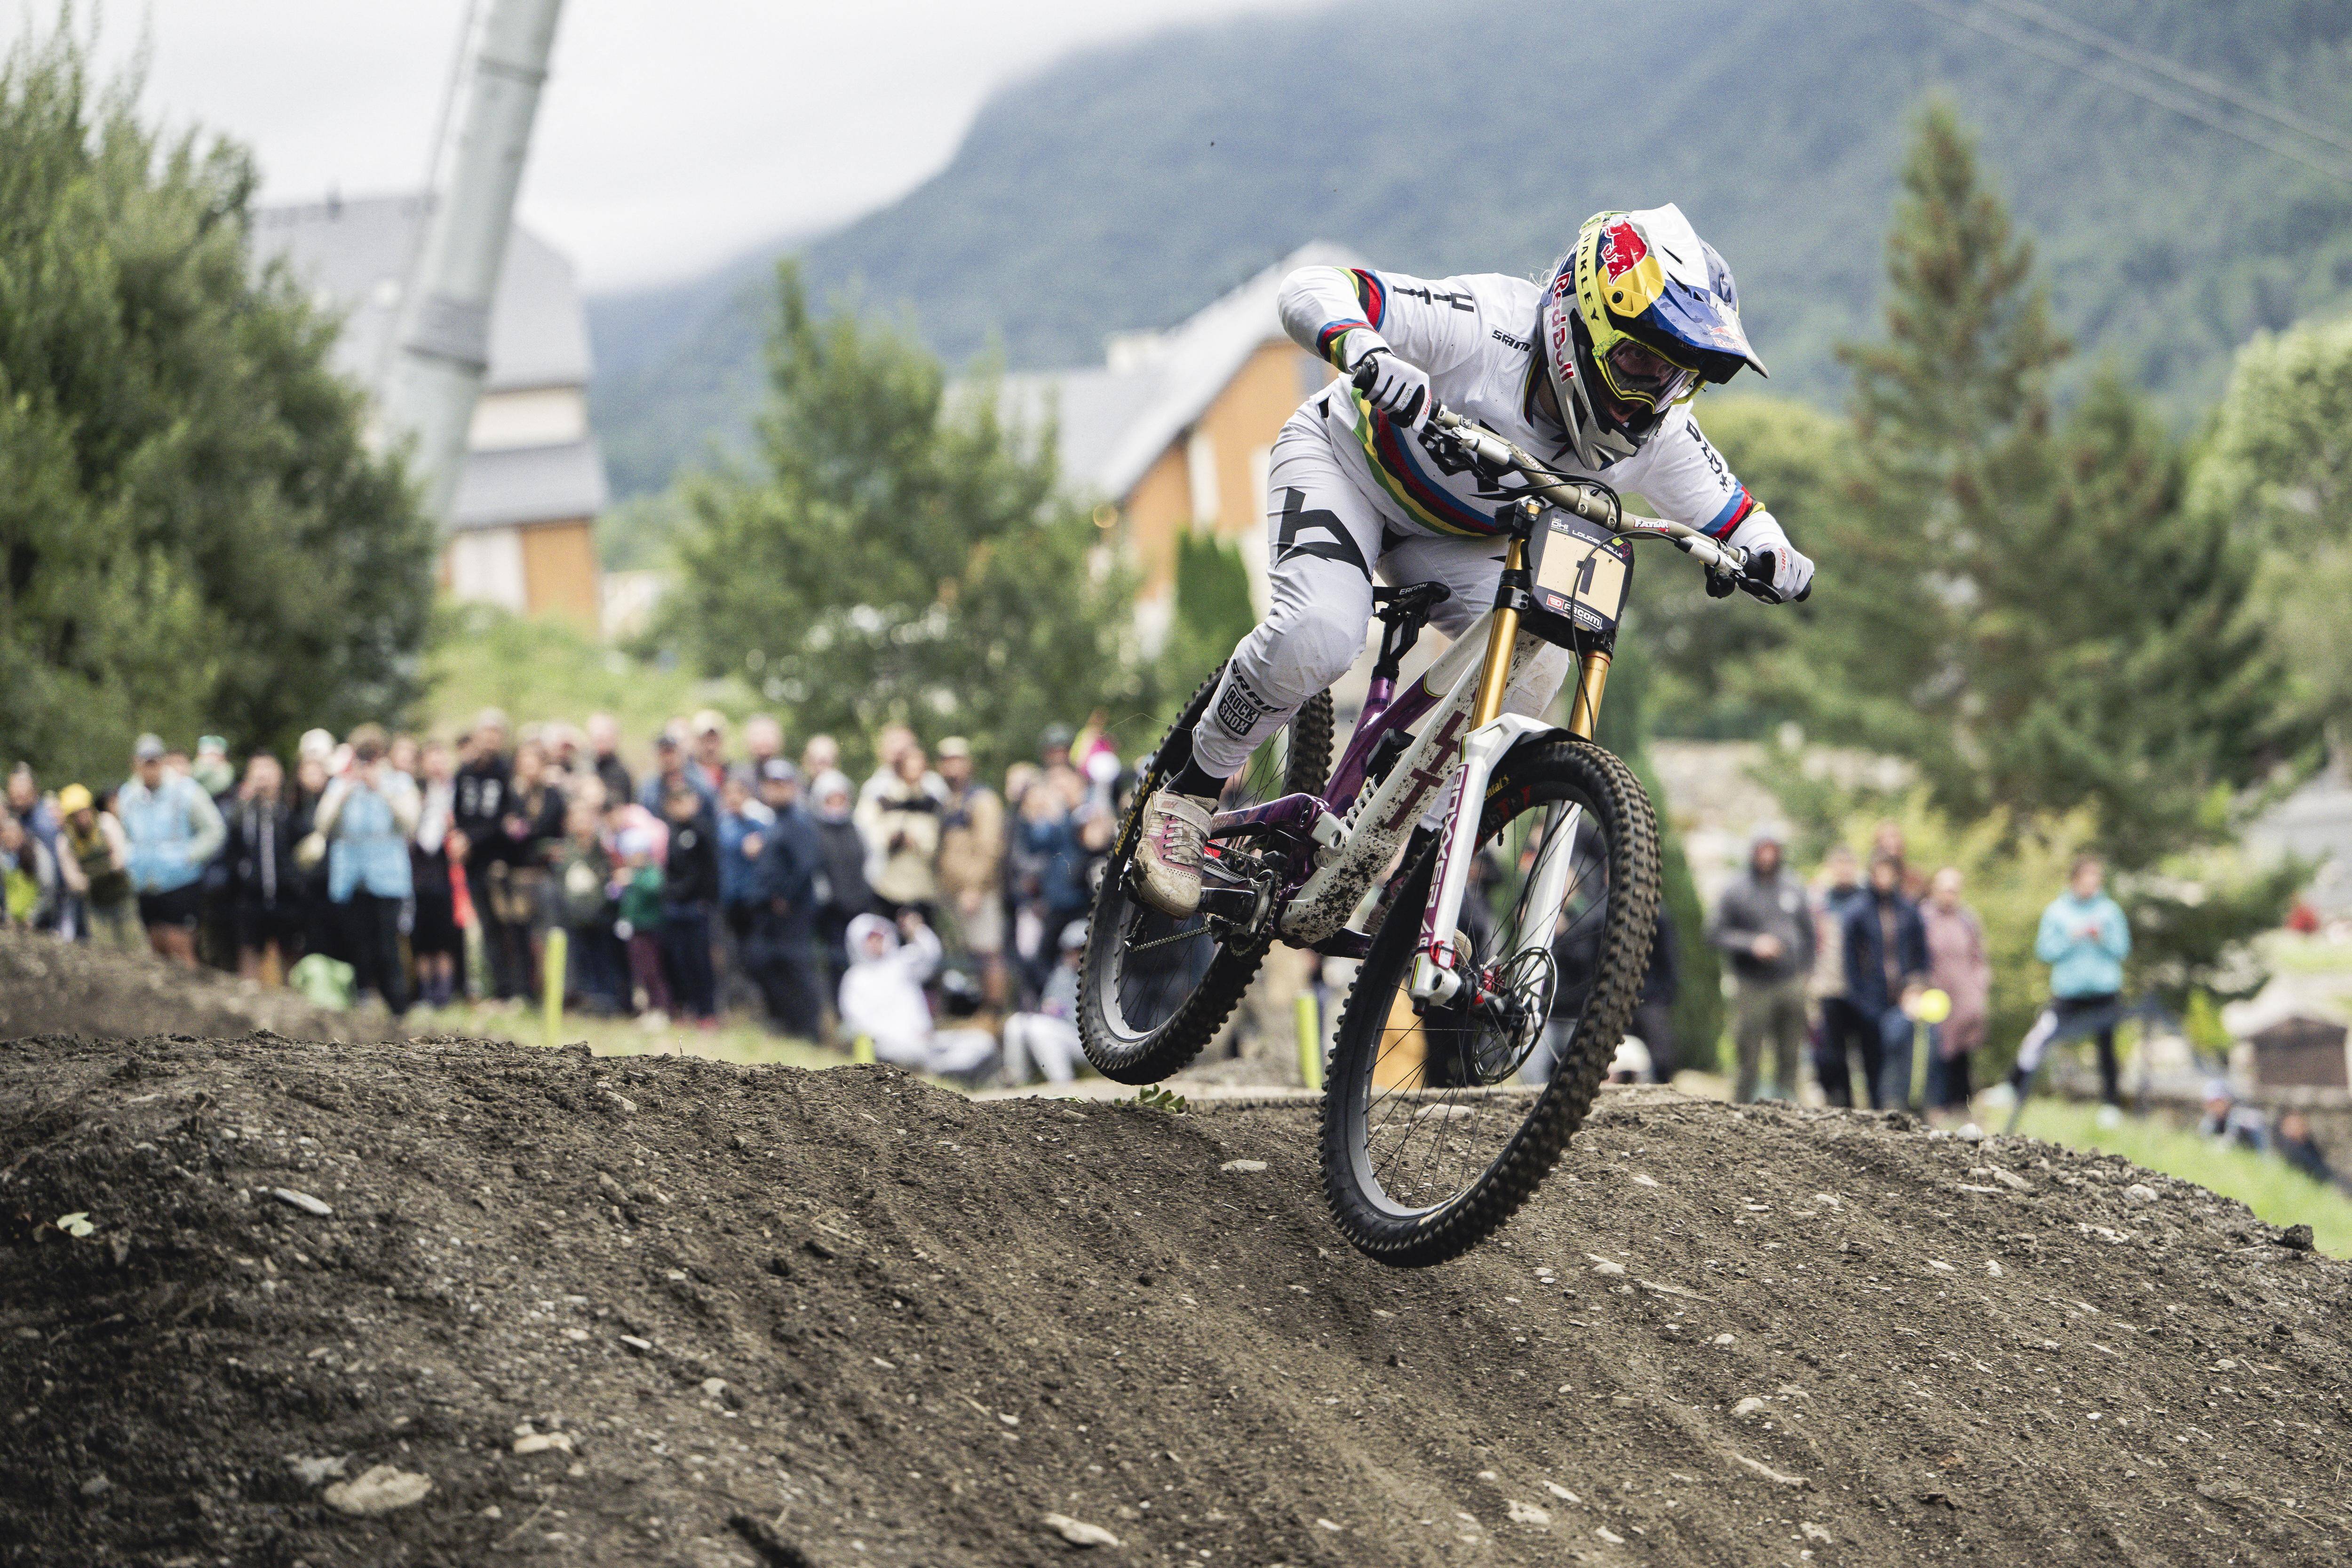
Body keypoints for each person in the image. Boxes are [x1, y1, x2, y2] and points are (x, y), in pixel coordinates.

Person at [1128, 207, 1808, 917]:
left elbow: (1736, 512)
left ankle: (1423, 863)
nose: (1647, 392)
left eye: (1674, 375)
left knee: (1536, 659)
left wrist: (1772, 553)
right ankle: (1188, 795)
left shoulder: (1658, 431)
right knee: (1323, 634)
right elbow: (1312, 289)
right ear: (1584, 323)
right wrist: (1365, 350)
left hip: (1455, 539)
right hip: (1348, 468)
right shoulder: (1490, 324)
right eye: (1638, 358)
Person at [314, 724, 418, 1016]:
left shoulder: (399, 784)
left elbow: (411, 824)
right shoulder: (341, 786)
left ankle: (398, 1008)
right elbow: (323, 826)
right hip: (351, 878)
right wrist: (345, 790)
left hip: (388, 879)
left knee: (388, 945)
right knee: (357, 945)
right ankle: (360, 1004)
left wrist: (381, 789)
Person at [1708, 826, 1815, 1103]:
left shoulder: (1793, 885)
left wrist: (1806, 973)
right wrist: (1751, 944)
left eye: (1773, 850)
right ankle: (1742, 1108)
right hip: (1751, 984)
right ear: (1753, 852)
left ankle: (1788, 1108)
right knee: (1749, 1053)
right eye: (1762, 850)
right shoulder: (1736, 889)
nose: (1768, 856)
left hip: (1791, 982)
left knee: (1791, 1053)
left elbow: (1809, 933)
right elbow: (1714, 932)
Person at [837, 911, 998, 1081]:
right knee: (910, 1053)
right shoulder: (855, 979)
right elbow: (859, 1023)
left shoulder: (901, 964)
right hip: (893, 1048)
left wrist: (917, 931)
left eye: (880, 936)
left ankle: (945, 1072)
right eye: (871, 938)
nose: (877, 943)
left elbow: (930, 953)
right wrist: (900, 1037)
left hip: (926, 1042)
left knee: (981, 1042)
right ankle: (938, 1073)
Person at [2025, 853, 2132, 1108]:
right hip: (2069, 990)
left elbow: (2123, 949)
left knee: (2107, 1048)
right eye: (2087, 880)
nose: (2092, 885)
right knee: (2043, 1035)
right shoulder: (2057, 911)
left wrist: (2101, 938)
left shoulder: (2110, 911)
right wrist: (2070, 938)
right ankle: (2015, 1085)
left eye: (2096, 880)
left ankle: (2111, 1104)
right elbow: (2044, 951)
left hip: (2104, 989)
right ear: (2074, 880)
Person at [117, 733, 226, 967]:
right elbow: (125, 834)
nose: (150, 769)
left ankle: (194, 1001)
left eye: (154, 762)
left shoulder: (186, 791)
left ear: (162, 761)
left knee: (180, 948)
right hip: (145, 883)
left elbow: (214, 830)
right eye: (145, 763)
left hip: (180, 882)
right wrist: (130, 858)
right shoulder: (128, 796)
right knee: (156, 949)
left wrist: (189, 856)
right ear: (135, 764)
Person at [746, 759, 827, 1039]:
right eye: (771, 785)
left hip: (793, 909)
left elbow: (807, 865)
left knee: (796, 966)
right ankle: (788, 1022)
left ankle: (809, 1028)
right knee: (768, 963)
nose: (776, 791)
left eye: (782, 785)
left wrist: (786, 897)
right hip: (772, 909)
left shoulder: (798, 821)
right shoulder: (776, 821)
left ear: (793, 787)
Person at [1843, 850, 1930, 1109]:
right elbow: (1850, 960)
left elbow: (1920, 953)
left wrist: (1916, 986)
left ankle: (1903, 1106)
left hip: (1904, 997)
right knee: (1872, 1055)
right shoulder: (1858, 912)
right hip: (1870, 997)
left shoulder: (1909, 911)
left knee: (1904, 1052)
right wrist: (1859, 996)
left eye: (1888, 872)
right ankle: (1875, 1108)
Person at [453, 710, 523, 998]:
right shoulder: (465, 773)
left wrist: (472, 839)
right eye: (486, 733)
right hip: (474, 863)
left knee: (509, 927)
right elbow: (459, 814)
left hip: (501, 864)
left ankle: (518, 990)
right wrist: (461, 839)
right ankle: (500, 990)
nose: (491, 740)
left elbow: (508, 821)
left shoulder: (508, 773)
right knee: (487, 927)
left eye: (496, 733)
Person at [934, 737, 1008, 1003]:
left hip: (978, 893)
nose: (951, 768)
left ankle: (995, 1013)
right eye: (946, 762)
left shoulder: (982, 799)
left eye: (957, 761)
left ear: (969, 765)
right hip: (952, 894)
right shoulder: (947, 802)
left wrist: (974, 889)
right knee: (965, 957)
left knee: (988, 954)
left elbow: (990, 848)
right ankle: (973, 1013)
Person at [225, 754, 303, 986]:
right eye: (257, 772)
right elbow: (232, 852)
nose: (263, 778)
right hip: (251, 898)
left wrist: (296, 881)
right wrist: (243, 876)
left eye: (269, 772)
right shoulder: (241, 815)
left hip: (288, 898)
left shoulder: (290, 811)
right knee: (249, 956)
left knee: (291, 957)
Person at [1809, 844, 1877, 1107]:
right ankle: (1842, 1106)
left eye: (1848, 865)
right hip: (1829, 986)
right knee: (1833, 1054)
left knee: (1868, 1053)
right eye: (1838, 866)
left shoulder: (1868, 902)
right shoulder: (1820, 903)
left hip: (1862, 989)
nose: (1843, 871)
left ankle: (1875, 1108)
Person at [1920, 866, 1991, 1117]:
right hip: (1935, 993)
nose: (1949, 895)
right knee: (1937, 1049)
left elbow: (1979, 958)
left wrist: (1980, 987)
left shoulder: (1968, 919)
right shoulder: (1923, 917)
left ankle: (1963, 1104)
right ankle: (1935, 1106)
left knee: (1963, 1050)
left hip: (1965, 994)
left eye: (1953, 891)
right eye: (1944, 890)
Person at [657, 781, 721, 1024]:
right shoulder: (671, 832)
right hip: (675, 907)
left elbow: (710, 872)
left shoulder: (704, 831)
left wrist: (707, 901)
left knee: (700, 960)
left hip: (696, 906)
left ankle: (707, 1012)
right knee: (677, 958)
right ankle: (684, 1007)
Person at [858, 743, 943, 922]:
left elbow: (939, 841)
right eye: (909, 762)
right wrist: (892, 839)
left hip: (922, 887)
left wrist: (918, 842)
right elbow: (867, 833)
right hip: (889, 886)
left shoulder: (933, 803)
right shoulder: (883, 800)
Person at [408, 740, 465, 1009]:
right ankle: (425, 991)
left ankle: (445, 992)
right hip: (417, 875)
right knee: (422, 937)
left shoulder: (455, 792)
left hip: (446, 875)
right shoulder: (413, 791)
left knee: (445, 937)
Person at [808, 769, 874, 994]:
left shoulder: (857, 829)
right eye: (831, 799)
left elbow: (870, 862)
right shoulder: (814, 830)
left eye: (841, 798)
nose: (837, 804)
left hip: (860, 904)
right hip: (832, 909)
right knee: (836, 960)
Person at [1002, 920, 1089, 1085]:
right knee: (1015, 1023)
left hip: (1085, 1043)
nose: (1073, 957)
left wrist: (1062, 1013)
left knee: (1040, 1029)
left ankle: (1064, 1085)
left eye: (1078, 951)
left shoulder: (1097, 979)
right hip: (1058, 1033)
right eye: (1069, 952)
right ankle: (1018, 1084)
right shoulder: (1062, 973)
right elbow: (1046, 1007)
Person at [56, 784, 138, 951]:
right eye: (76, 816)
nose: (82, 819)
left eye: (84, 812)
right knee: (106, 953)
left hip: (122, 898)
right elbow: (73, 881)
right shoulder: (65, 842)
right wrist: (95, 877)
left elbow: (121, 860)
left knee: (136, 945)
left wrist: (101, 872)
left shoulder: (106, 824)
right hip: (96, 905)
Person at [585, 713, 634, 810]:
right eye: (597, 737)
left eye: (603, 738)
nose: (599, 742)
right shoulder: (585, 763)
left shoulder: (620, 773)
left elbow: (617, 804)